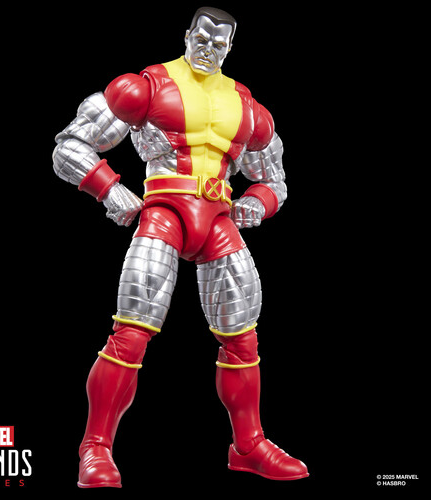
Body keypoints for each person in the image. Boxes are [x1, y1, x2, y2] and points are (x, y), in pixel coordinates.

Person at [53, 6, 308, 488]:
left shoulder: (246, 106)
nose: (209, 48)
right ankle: (95, 447)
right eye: (203, 37)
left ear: (231, 47)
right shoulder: (149, 85)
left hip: (218, 219)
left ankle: (248, 446)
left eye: (220, 42)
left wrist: (258, 202)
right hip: (165, 211)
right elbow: (69, 145)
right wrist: (109, 188)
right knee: (132, 330)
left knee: (243, 337)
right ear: (188, 34)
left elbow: (275, 178)